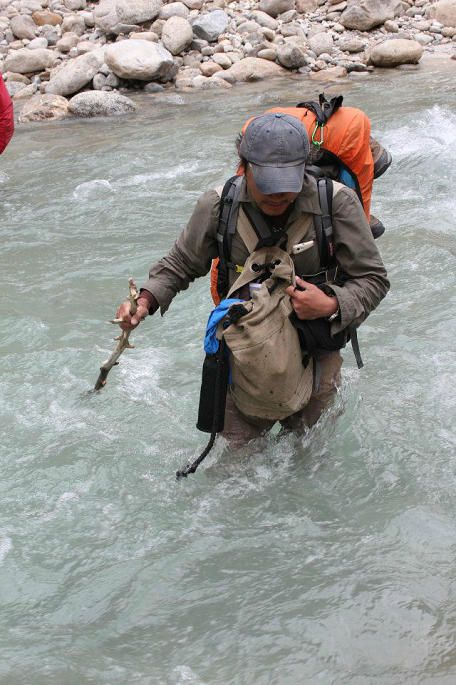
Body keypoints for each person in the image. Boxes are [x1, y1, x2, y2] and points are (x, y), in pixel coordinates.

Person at [116, 112, 389, 445]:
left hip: (315, 352)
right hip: (243, 354)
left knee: (310, 456)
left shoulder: (337, 203)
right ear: (244, 166)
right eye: (267, 184)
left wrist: (332, 304)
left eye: (287, 184)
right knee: (236, 462)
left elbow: (373, 278)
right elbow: (181, 263)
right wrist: (144, 301)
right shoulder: (218, 205)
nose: (278, 195)